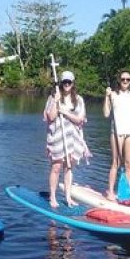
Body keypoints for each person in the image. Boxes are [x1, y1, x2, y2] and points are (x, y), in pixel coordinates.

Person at [43, 70, 91, 208]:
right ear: (61, 83)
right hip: (57, 136)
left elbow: (80, 119)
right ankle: (52, 196)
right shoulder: (53, 98)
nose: (67, 84)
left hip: (73, 137)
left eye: (69, 82)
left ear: (73, 83)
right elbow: (50, 118)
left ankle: (68, 197)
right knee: (56, 167)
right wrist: (56, 103)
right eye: (64, 82)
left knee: (69, 167)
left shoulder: (79, 100)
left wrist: (65, 112)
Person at [103, 69, 130, 201]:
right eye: (123, 79)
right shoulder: (113, 95)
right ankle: (110, 191)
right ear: (119, 81)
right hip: (118, 132)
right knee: (116, 162)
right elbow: (106, 114)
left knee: (129, 163)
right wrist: (106, 97)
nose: (125, 81)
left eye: (128, 79)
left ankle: (127, 193)